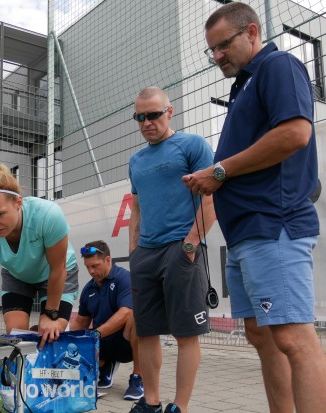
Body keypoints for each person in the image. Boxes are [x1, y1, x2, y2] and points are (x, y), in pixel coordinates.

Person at [183, 3, 326, 412]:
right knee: (263, 337)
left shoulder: (277, 65)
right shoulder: (243, 85)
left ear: (251, 32)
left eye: (223, 45)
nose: (217, 56)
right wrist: (213, 174)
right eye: (211, 50)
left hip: (272, 224)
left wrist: (220, 172)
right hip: (246, 232)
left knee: (294, 339)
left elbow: (296, 133)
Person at [128, 86, 217, 413]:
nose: (147, 122)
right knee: (146, 331)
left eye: (153, 114)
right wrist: (134, 251)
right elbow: (136, 209)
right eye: (140, 116)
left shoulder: (192, 145)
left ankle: (179, 406)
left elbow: (210, 198)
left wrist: (190, 244)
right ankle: (150, 402)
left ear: (170, 111)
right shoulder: (135, 160)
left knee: (186, 333)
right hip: (146, 255)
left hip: (181, 250)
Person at [0, 161, 79, 348]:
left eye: (0, 214)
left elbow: (58, 268)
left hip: (55, 272)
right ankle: (22, 374)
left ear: (18, 203)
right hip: (17, 274)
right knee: (16, 337)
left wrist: (51, 314)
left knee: (52, 332)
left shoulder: (48, 215)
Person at [69, 240, 144, 401]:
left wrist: (95, 334)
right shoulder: (88, 289)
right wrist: (60, 333)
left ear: (108, 260)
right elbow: (81, 322)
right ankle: (105, 366)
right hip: (102, 343)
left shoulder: (124, 278)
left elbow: (125, 313)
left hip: (125, 344)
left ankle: (138, 377)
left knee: (137, 318)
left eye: (95, 266)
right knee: (75, 337)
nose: (91, 271)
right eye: (88, 267)